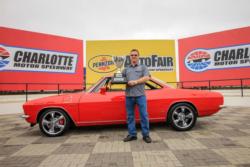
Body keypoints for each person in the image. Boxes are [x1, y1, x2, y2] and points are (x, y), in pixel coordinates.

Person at [122, 49, 152, 143]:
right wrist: (114, 78)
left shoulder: (143, 67)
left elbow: (147, 77)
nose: (133, 56)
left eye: (135, 55)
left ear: (138, 56)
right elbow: (120, 78)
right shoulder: (126, 69)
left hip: (140, 95)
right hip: (129, 96)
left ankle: (146, 135)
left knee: (144, 116)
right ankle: (132, 135)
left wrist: (135, 82)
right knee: (130, 116)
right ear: (129, 57)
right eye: (132, 55)